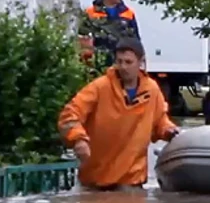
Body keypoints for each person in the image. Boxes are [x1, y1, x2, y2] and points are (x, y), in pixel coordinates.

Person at [58, 38, 180, 191]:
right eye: (119, 61)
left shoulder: (152, 90)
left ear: (141, 62)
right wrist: (78, 140)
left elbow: (160, 121)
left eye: (128, 62)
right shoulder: (100, 87)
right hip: (96, 179)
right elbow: (70, 115)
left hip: (131, 180)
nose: (123, 67)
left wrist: (169, 131)